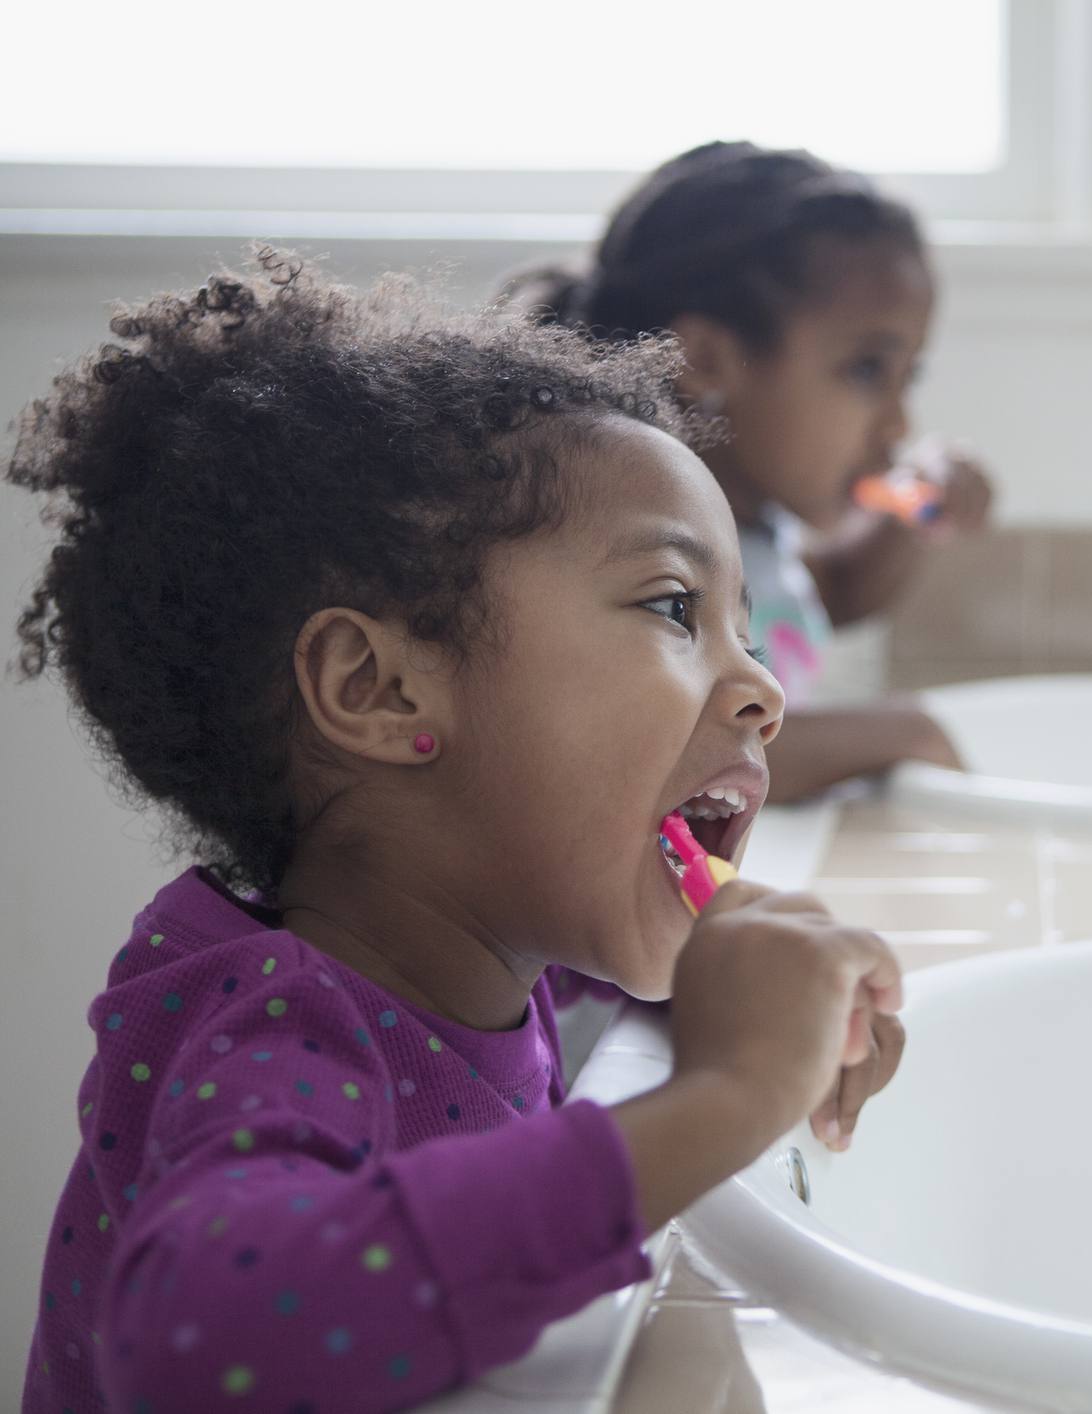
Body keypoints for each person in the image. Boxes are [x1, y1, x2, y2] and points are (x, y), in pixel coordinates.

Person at [11, 252, 904, 1412]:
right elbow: (205, 1341)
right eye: (676, 607)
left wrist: (737, 994)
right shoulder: (281, 1027)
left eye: (742, 623)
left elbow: (600, 987)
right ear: (381, 691)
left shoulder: (488, 954)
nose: (761, 691)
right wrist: (728, 1092)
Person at [505, 142, 993, 799]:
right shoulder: (637, 552)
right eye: (868, 369)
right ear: (706, 357)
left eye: (911, 376)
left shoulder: (756, 528)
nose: (899, 425)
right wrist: (898, 732)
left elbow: (840, 591)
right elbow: (677, 749)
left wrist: (907, 520)